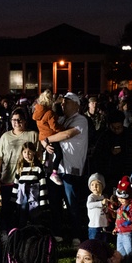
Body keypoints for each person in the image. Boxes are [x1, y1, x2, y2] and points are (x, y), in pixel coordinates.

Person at [45, 93, 90, 242]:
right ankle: (57, 233)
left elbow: (67, 134)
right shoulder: (62, 119)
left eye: (67, 103)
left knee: (73, 204)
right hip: (56, 170)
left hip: (71, 169)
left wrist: (46, 139)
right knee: (55, 203)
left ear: (76, 105)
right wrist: (45, 143)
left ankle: (76, 234)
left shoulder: (81, 120)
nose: (63, 105)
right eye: (62, 103)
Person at [0, 107, 38, 231]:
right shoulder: (5, 137)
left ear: (25, 121)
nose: (16, 122)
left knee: (23, 209)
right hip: (8, 178)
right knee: (7, 208)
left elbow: (38, 156)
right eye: (13, 120)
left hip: (26, 179)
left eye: (19, 120)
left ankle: (21, 232)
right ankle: (6, 232)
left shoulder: (32, 135)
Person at [13, 142, 49, 227]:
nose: (27, 155)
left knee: (35, 218)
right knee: (22, 218)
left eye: (29, 152)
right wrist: (13, 200)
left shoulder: (38, 168)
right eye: (25, 152)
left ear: (33, 153)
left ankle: (36, 236)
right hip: (22, 198)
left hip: (34, 198)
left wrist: (43, 202)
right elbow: (16, 185)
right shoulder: (20, 168)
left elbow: (43, 185)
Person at [86, 173, 109, 241]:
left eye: (97, 184)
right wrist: (101, 203)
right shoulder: (91, 197)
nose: (95, 186)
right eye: (92, 184)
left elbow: (106, 209)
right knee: (94, 242)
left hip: (103, 225)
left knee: (103, 242)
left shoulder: (104, 197)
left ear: (102, 186)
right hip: (94, 226)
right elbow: (89, 205)